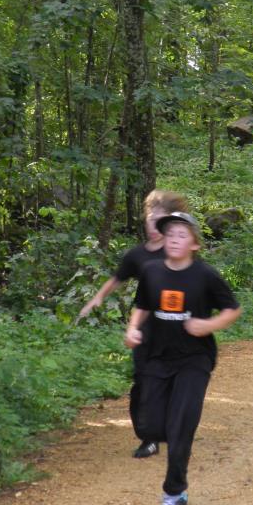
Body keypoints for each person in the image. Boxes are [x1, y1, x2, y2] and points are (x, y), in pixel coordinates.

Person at [125, 211, 241, 505]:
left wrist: (209, 325)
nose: (174, 240)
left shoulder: (205, 276)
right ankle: (163, 437)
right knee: (150, 423)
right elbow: (143, 306)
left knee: (181, 424)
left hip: (194, 360)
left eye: (181, 235)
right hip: (157, 357)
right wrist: (133, 328)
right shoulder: (152, 272)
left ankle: (174, 494)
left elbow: (232, 309)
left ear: (194, 244)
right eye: (170, 234)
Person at [77, 189, 190, 459]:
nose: (153, 226)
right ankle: (148, 437)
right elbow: (117, 278)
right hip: (144, 329)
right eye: (150, 219)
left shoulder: (177, 252)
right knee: (142, 383)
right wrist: (97, 299)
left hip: (175, 328)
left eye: (159, 220)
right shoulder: (136, 255)